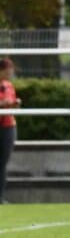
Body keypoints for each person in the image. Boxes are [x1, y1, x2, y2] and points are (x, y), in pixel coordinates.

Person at [0, 58, 17, 204]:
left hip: (7, 126)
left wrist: (14, 104)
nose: (11, 72)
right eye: (8, 70)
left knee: (2, 163)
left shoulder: (9, 86)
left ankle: (0, 197)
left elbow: (10, 105)